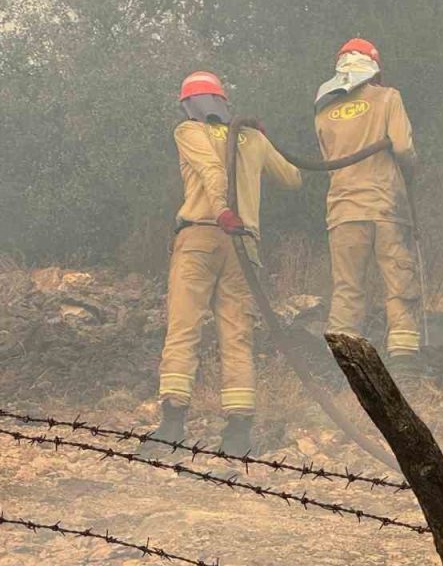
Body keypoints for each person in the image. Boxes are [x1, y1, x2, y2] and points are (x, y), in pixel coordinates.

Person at [151, 71, 302, 455]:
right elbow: (293, 178)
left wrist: (221, 210)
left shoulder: (189, 130)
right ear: (223, 101)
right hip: (243, 244)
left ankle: (171, 426)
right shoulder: (251, 137)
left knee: (184, 329)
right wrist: (263, 143)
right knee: (237, 334)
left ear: (188, 104)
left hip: (202, 235)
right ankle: (237, 434)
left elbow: (212, 170)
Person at [314, 38, 424, 380]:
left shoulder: (324, 110)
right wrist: (412, 173)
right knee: (399, 282)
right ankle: (404, 363)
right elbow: (403, 148)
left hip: (344, 210)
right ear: (374, 68)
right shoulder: (388, 97)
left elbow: (328, 161)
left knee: (348, 288)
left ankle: (343, 368)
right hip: (385, 206)